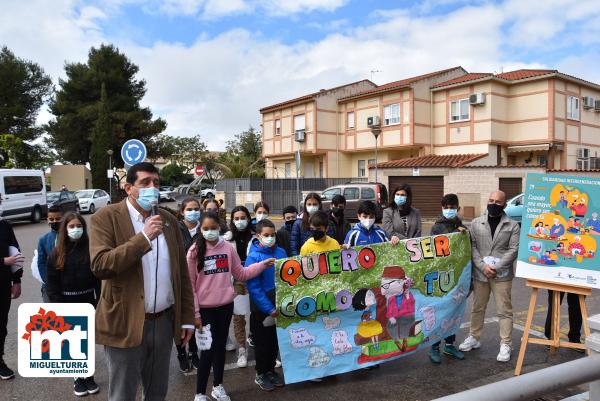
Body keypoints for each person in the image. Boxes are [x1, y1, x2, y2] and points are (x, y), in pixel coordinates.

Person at [89, 162, 196, 401]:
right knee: (122, 394)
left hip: (163, 321)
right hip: (125, 321)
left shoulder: (168, 219)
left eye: (156, 182)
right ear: (128, 188)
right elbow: (101, 265)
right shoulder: (105, 217)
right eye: (145, 182)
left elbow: (181, 274)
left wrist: (186, 317)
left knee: (157, 392)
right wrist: (144, 238)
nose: (153, 188)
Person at [187, 211, 275, 401]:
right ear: (200, 230)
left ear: (220, 228)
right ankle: (200, 393)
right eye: (206, 229)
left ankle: (218, 386)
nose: (210, 232)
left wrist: (261, 265)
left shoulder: (227, 248)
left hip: (225, 306)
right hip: (204, 309)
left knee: (220, 349)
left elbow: (241, 273)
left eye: (213, 228)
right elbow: (190, 286)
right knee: (208, 350)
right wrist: (195, 313)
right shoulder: (194, 251)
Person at [459, 190, 520, 363]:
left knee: (504, 311)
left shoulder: (513, 225)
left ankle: (506, 344)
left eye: (498, 202)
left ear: (504, 205)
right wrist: (482, 266)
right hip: (480, 274)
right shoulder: (476, 223)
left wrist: (496, 266)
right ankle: (474, 337)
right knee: (478, 307)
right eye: (491, 200)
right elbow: (473, 247)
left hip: (502, 275)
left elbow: (513, 249)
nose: (493, 204)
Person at [46, 212, 101, 396]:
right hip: (66, 302)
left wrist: (99, 302)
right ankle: (77, 377)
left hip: (87, 301)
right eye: (71, 226)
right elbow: (52, 285)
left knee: (87, 341)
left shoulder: (91, 250)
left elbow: (99, 281)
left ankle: (89, 375)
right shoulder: (56, 254)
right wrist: (58, 307)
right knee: (72, 342)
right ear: (65, 229)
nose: (76, 229)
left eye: (79, 226)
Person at [245, 219, 287, 391]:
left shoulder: (281, 252)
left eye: (272, 235)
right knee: (262, 342)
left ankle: (270, 370)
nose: (270, 238)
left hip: (279, 306)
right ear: (258, 236)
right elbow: (254, 288)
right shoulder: (253, 257)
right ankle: (261, 373)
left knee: (274, 342)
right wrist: (269, 308)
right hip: (262, 309)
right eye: (266, 235)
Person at [427, 194, 467, 364]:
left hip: (456, 275)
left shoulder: (461, 225)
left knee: (454, 310)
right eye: (447, 207)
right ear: (442, 207)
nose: (450, 210)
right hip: (440, 276)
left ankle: (449, 345)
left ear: (457, 208)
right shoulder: (437, 227)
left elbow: (466, 248)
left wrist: (465, 234)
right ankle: (434, 347)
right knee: (439, 311)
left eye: (453, 207)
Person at [175, 198, 203, 374]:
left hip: (199, 280)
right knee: (179, 318)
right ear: (182, 211)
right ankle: (181, 353)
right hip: (179, 280)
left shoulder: (204, 228)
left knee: (195, 316)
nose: (193, 212)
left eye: (196, 208)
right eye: (189, 209)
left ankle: (194, 352)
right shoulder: (175, 229)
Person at [226, 206, 255, 368]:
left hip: (253, 278)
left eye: (242, 217)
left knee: (257, 314)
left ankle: (260, 345)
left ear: (248, 218)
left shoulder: (256, 237)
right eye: (236, 218)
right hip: (236, 280)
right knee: (238, 317)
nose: (240, 221)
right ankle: (242, 349)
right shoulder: (227, 239)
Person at [0, 214, 23, 380]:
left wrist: (17, 280)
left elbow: (16, 252)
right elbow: (8, 259)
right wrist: (3, 261)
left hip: (3, 284)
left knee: (1, 325)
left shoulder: (5, 226)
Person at [36, 205, 63, 302]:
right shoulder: (43, 240)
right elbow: (41, 263)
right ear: (47, 220)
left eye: (58, 218)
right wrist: (48, 282)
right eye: (51, 219)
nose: (54, 221)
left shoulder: (70, 237)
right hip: (49, 286)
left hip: (68, 285)